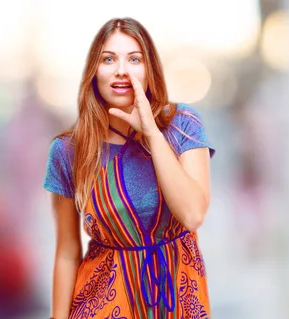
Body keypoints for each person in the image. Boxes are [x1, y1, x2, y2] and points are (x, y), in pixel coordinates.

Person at [43, 17, 215, 319]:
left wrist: (151, 131)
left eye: (134, 59)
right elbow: (68, 252)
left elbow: (192, 214)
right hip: (104, 302)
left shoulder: (182, 125)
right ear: (94, 72)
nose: (121, 70)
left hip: (178, 299)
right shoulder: (69, 150)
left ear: (150, 69)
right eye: (108, 59)